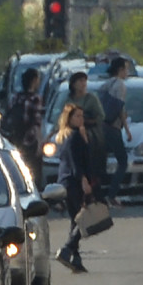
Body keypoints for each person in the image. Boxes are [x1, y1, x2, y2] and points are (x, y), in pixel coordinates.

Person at [54, 103, 93, 274]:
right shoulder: (74, 136)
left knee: (75, 220)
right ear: (69, 118)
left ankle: (76, 259)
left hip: (65, 181)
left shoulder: (65, 136)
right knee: (82, 219)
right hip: (74, 182)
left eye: (82, 116)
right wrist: (84, 180)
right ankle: (67, 249)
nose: (81, 119)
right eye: (77, 116)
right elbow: (76, 162)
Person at [99, 57, 131, 206]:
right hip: (112, 127)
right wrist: (126, 129)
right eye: (126, 69)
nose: (127, 72)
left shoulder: (104, 85)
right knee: (123, 161)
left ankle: (98, 194)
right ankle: (112, 193)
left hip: (101, 127)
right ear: (120, 70)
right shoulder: (120, 86)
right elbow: (119, 108)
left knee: (100, 161)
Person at [65, 71, 106, 174]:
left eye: (85, 81)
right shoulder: (69, 100)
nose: (83, 84)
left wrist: (86, 122)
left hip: (89, 132)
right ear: (73, 84)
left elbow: (101, 116)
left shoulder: (91, 99)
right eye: (80, 81)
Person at [12, 67, 43, 189]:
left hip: (15, 141)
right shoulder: (35, 99)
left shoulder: (15, 98)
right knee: (34, 173)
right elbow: (37, 123)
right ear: (34, 80)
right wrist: (39, 143)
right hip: (30, 142)